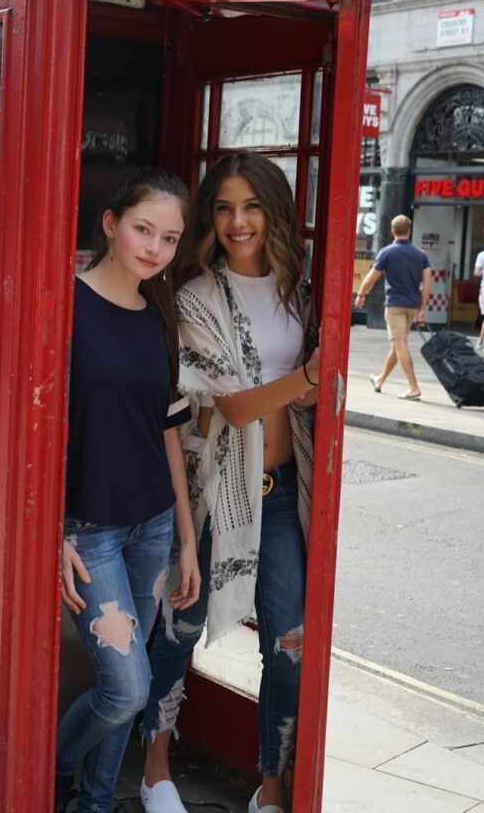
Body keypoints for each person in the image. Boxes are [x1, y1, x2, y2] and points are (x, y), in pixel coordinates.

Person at [140, 153, 318, 813]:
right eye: (223, 207)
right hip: (213, 493)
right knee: (180, 627)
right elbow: (235, 406)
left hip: (281, 489)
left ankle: (272, 782)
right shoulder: (195, 297)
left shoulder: (297, 287)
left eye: (251, 206)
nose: (238, 221)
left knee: (288, 641)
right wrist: (305, 380)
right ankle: (154, 765)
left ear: (273, 211)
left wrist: (304, 387)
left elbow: (286, 393)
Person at [54, 168, 201, 813]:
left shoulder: (159, 318)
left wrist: (187, 541)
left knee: (128, 686)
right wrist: (51, 530)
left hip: (153, 526)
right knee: (127, 690)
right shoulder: (65, 307)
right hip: (92, 530)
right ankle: (54, 762)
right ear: (111, 224)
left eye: (169, 239)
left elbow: (166, 432)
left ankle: (92, 803)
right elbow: (38, 430)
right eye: (144, 229)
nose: (155, 248)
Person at [356, 214, 431, 400]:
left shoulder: (387, 252)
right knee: (398, 344)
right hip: (412, 306)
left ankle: (414, 388)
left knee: (400, 344)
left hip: (395, 305)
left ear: (392, 231)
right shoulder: (421, 255)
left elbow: (371, 277)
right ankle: (380, 380)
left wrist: (361, 295)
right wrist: (422, 309)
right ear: (409, 231)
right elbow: (427, 285)